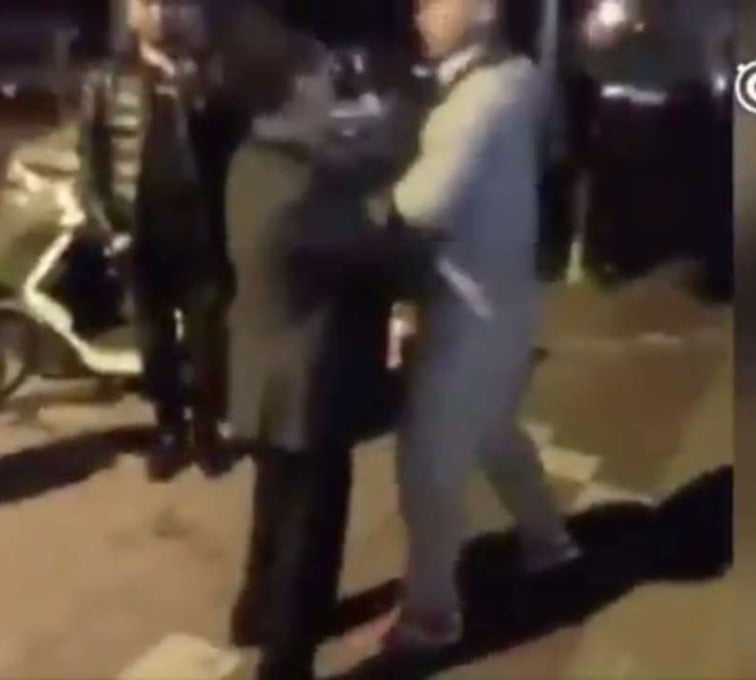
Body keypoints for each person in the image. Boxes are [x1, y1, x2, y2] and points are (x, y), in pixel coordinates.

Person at [219, 29, 424, 678]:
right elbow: (382, 255)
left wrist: (392, 139)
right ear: (295, 91)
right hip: (309, 379)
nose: (333, 89)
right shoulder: (300, 192)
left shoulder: (255, 157)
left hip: (262, 370)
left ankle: (254, 611)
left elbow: (347, 166)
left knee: (273, 503)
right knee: (312, 524)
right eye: (321, 79)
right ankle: (286, 656)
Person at [379, 0, 581, 651]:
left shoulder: (476, 102)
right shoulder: (516, 77)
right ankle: (548, 540)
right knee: (495, 431)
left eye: (438, 0)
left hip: (465, 311)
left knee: (428, 467)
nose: (419, 11)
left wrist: (349, 193)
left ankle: (431, 612)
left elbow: (417, 208)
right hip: (505, 299)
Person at [76, 0, 246, 478]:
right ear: (130, 16)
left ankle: (207, 431)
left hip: (201, 234)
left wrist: (193, 85)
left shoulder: (210, 77)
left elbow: (233, 153)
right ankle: (169, 431)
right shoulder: (105, 81)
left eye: (168, 4)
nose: (159, 13)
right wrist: (112, 231)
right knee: (155, 347)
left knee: (209, 343)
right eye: (146, 4)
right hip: (141, 238)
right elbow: (91, 168)